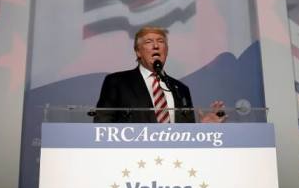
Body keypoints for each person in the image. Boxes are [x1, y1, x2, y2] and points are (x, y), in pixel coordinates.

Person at [94, 26, 226, 123]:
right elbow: (102, 126)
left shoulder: (181, 89)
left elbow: (185, 134)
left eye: (161, 41)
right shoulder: (117, 82)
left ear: (166, 50)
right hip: (133, 155)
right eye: (148, 42)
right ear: (138, 52)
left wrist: (203, 129)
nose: (156, 45)